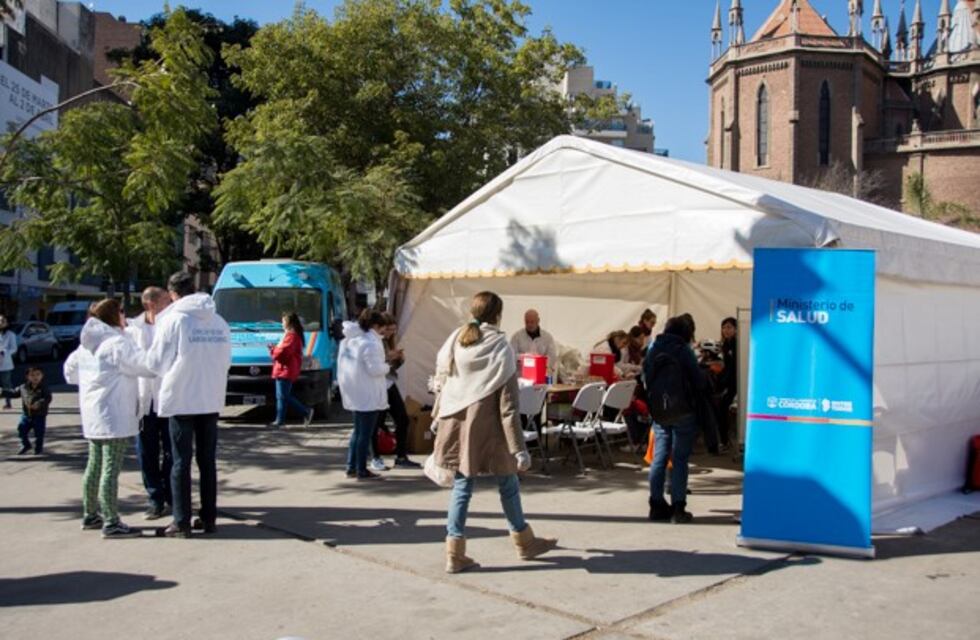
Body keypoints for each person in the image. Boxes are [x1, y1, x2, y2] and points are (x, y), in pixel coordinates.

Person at [432, 291, 557, 574]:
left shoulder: (457, 339)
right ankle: (524, 541)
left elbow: (443, 379)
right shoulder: (500, 346)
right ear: (498, 315)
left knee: (462, 487)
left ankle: (454, 552)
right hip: (490, 426)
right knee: (508, 484)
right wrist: (519, 449)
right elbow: (509, 406)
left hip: (457, 421)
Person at [145, 272, 231, 538]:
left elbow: (156, 362)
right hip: (210, 398)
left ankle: (181, 521)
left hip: (182, 398)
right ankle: (209, 518)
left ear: (173, 293)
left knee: (180, 462)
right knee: (207, 461)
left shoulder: (173, 319)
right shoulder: (218, 320)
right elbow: (226, 359)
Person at [64, 299, 156, 538]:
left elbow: (69, 373)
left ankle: (90, 514)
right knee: (110, 469)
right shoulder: (117, 344)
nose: (126, 316)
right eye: (122, 311)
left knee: (94, 465)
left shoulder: (86, 346)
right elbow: (146, 366)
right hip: (114, 415)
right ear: (114, 315)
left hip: (93, 414)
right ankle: (111, 521)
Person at [642, 313, 711, 524]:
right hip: (683, 410)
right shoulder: (683, 350)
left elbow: (645, 377)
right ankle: (678, 508)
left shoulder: (653, 348)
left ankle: (656, 504)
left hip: (660, 411)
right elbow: (698, 381)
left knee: (659, 458)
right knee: (679, 459)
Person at [126, 287, 174, 520]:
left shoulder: (173, 324)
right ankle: (155, 498)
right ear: (151, 304)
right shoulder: (132, 330)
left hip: (169, 398)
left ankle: (171, 495)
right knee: (147, 452)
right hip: (144, 400)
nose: (170, 304)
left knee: (173, 451)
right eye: (166, 301)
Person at [337, 308, 389, 480]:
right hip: (368, 393)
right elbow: (374, 370)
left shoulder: (351, 340)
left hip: (355, 392)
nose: (384, 331)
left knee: (357, 432)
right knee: (364, 434)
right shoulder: (370, 343)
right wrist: (388, 366)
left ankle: (351, 467)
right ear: (375, 325)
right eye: (382, 327)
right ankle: (361, 469)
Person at [374, 312, 420, 469]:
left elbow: (389, 369)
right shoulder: (375, 341)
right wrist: (388, 358)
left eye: (394, 330)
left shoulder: (387, 342)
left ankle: (401, 456)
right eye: (389, 329)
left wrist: (398, 360)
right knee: (377, 423)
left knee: (402, 419)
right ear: (381, 327)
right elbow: (374, 366)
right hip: (378, 387)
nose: (391, 333)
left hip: (389, 384)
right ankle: (375, 457)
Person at [269, 312, 314, 428]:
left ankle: (305, 411)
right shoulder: (291, 335)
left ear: (289, 323)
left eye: (283, 321)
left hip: (285, 369)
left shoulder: (291, 336)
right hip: (284, 369)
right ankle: (280, 420)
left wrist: (273, 350)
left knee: (283, 395)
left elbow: (282, 353)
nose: (282, 323)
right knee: (281, 396)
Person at [509, 309, 558, 378]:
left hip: (541, 376)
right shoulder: (517, 337)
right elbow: (511, 355)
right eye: (527, 322)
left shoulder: (547, 337)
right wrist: (525, 357)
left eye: (532, 322)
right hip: (521, 376)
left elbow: (552, 356)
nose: (529, 324)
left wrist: (539, 361)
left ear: (538, 321)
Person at [15, 366, 51, 455]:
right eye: (32, 375)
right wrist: (3, 392)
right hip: (26, 414)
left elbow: (47, 398)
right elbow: (14, 393)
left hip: (39, 415)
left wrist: (39, 403)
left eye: (38, 374)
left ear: (42, 375)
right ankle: (26, 445)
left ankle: (38, 448)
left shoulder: (44, 387)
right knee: (21, 429)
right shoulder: (23, 387)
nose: (35, 377)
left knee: (39, 433)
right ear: (27, 377)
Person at [718, 317, 738, 450]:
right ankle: (724, 440)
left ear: (736, 329)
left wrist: (724, 385)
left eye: (729, 327)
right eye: (724, 327)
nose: (726, 330)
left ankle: (725, 441)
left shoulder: (737, 344)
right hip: (729, 382)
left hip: (735, 383)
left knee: (722, 407)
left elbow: (733, 368)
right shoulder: (726, 344)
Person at [0, 315, 17, 410]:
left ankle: (8, 402)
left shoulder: (11, 334)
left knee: (6, 384)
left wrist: (4, 352)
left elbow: (14, 348)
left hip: (5, 364)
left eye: (3, 321)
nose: (1, 323)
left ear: (6, 323)